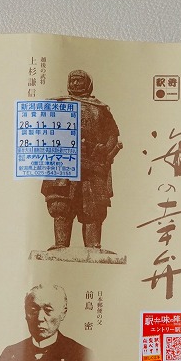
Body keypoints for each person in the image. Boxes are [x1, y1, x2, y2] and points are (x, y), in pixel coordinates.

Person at [42, 70, 122, 251]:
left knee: (93, 206)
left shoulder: (100, 109)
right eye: (73, 81)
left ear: (88, 84)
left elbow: (112, 135)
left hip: (93, 164)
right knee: (61, 203)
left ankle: (93, 246)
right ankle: (61, 244)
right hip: (64, 162)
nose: (76, 84)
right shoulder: (58, 104)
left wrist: (104, 149)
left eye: (79, 81)